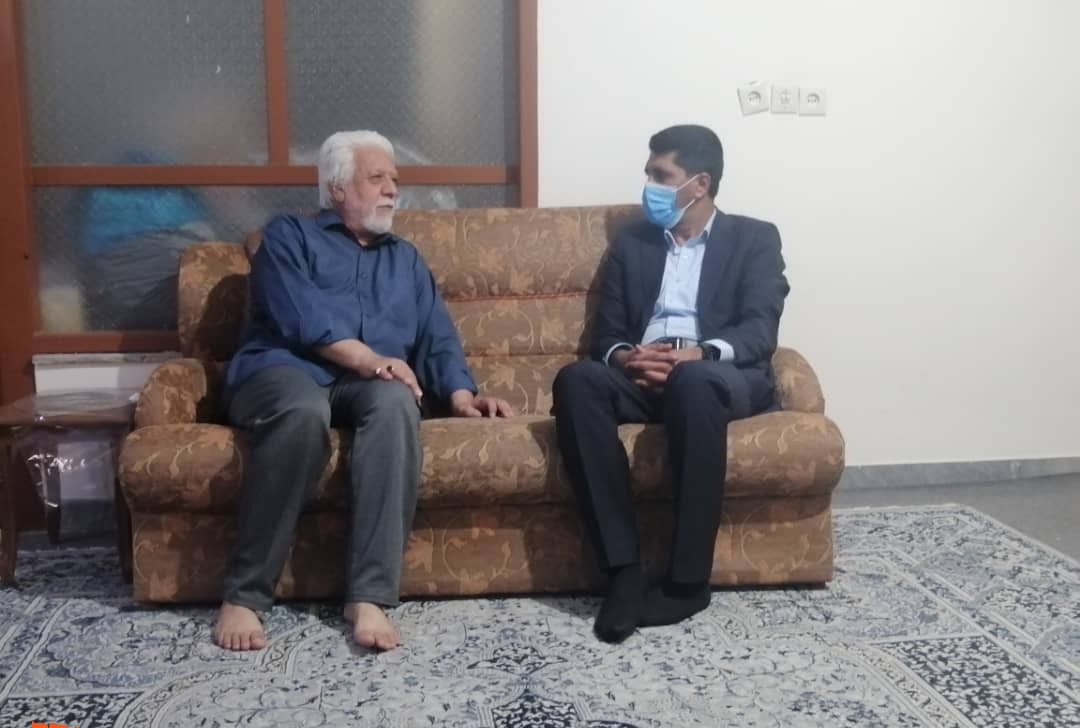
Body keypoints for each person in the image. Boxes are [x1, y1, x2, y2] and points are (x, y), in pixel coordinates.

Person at [213, 130, 513, 653]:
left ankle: (368, 595)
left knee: (397, 404)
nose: (392, 189)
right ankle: (245, 593)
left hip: (370, 385)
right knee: (303, 411)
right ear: (336, 189)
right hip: (283, 371)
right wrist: (373, 360)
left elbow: (436, 334)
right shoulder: (288, 236)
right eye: (376, 178)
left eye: (394, 179)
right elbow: (302, 316)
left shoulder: (406, 259)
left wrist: (462, 395)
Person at [552, 124, 789, 643]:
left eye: (661, 175)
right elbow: (608, 335)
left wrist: (697, 354)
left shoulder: (754, 239)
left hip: (714, 374)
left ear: (699, 184)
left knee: (694, 382)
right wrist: (628, 358)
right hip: (644, 373)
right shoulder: (634, 244)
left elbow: (759, 329)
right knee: (577, 381)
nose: (649, 186)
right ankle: (624, 572)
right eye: (649, 173)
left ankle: (687, 583)